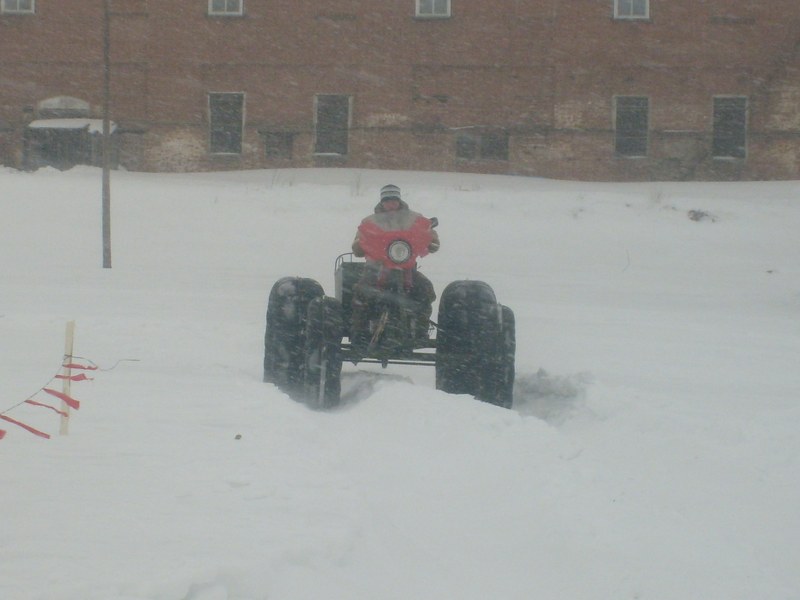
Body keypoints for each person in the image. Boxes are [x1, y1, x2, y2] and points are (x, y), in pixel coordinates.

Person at [350, 184, 439, 353]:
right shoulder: (369, 222)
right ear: (382, 202)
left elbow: (427, 234)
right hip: (376, 268)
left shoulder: (413, 220)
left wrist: (432, 241)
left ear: (399, 200)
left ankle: (420, 330)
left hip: (406, 269)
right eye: (387, 200)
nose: (391, 204)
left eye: (394, 200)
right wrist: (360, 245)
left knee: (424, 289)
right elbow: (358, 242)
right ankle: (359, 333)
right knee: (362, 291)